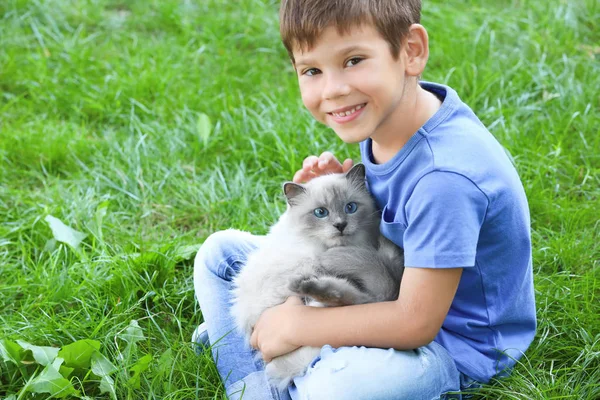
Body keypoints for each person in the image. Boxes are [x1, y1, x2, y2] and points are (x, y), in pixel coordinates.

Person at [193, 0, 537, 399]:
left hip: (443, 344)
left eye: (354, 60)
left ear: (410, 51)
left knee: (339, 387)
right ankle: (266, 374)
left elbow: (414, 323)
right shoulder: (391, 121)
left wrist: (299, 325)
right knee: (220, 256)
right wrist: (327, 198)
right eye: (312, 71)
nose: (334, 89)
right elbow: (389, 233)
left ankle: (265, 367)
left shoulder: (445, 178)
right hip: (379, 284)